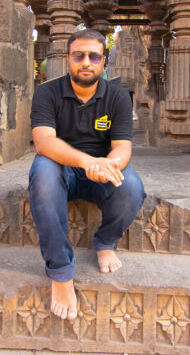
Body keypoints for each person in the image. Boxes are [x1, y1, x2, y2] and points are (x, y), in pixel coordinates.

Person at [29, 29, 146, 320]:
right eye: (78, 55)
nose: (86, 62)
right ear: (68, 59)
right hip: (62, 168)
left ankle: (105, 242)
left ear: (103, 62)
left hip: (100, 172)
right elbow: (44, 141)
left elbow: (123, 148)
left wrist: (109, 165)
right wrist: (85, 161)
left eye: (94, 56)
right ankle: (60, 272)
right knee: (42, 174)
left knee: (131, 185)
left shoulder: (118, 97)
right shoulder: (47, 93)